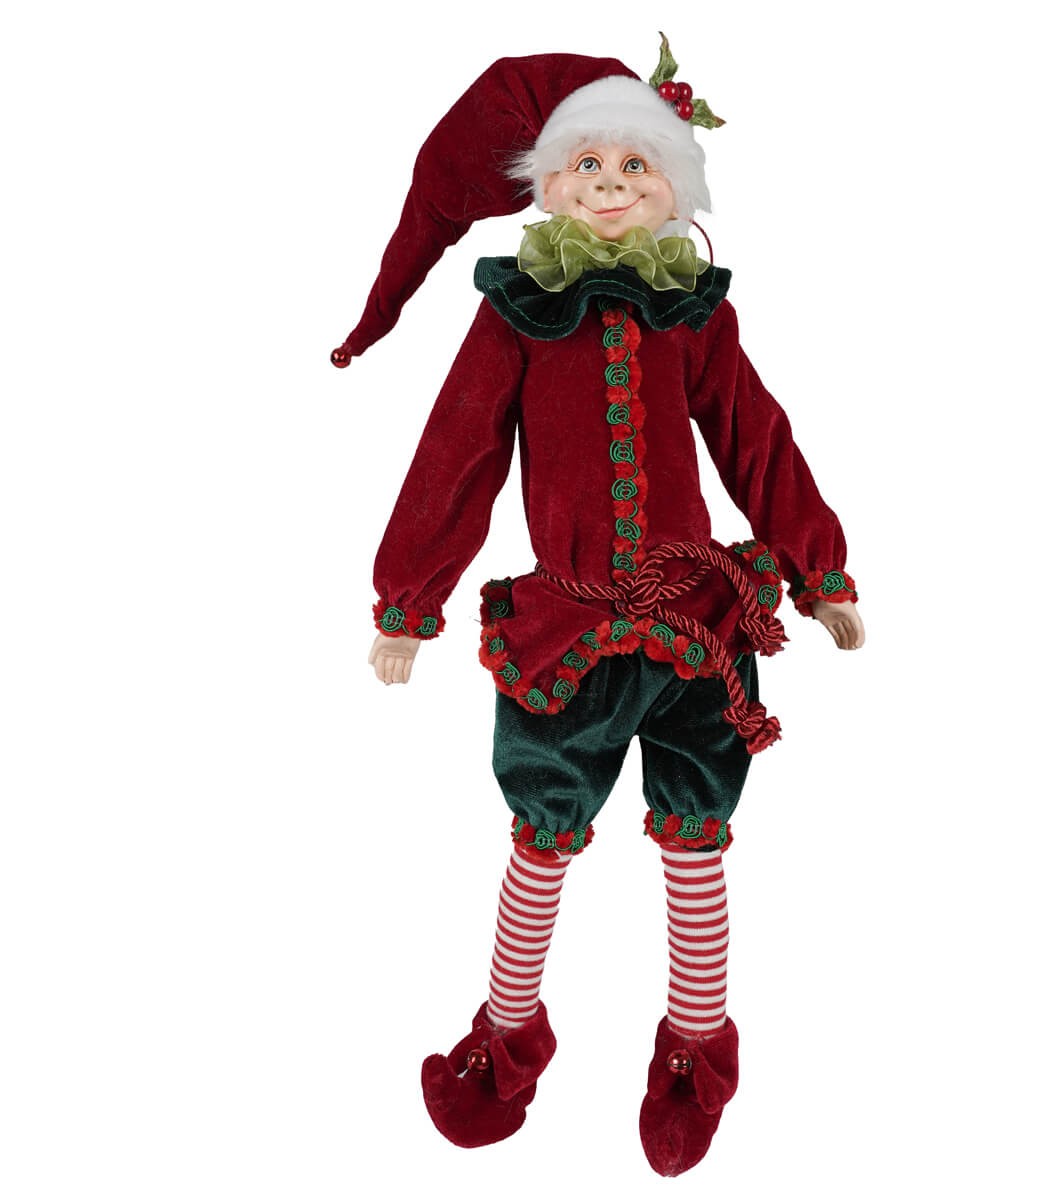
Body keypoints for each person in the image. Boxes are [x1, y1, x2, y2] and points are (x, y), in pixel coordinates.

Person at [334, 37, 864, 1176]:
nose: (614, 183)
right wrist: (407, 600)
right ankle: (508, 1027)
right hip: (567, 630)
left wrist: (817, 570)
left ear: (676, 185)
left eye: (637, 164)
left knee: (696, 839)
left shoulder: (695, 315)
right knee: (541, 842)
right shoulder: (517, 315)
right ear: (549, 183)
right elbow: (457, 454)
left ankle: (698, 1041)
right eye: (589, 164)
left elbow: (755, 439)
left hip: (695, 625)